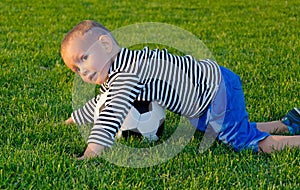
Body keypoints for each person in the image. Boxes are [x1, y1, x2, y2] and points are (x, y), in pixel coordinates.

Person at [60, 20, 300, 159]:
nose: (83, 70)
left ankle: (292, 141)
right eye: (76, 68)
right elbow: (103, 102)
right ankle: (288, 123)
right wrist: (74, 119)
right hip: (210, 86)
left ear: (105, 44)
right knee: (215, 130)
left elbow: (110, 115)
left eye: (84, 58)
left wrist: (91, 152)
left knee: (242, 142)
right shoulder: (121, 69)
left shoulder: (126, 74)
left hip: (214, 91)